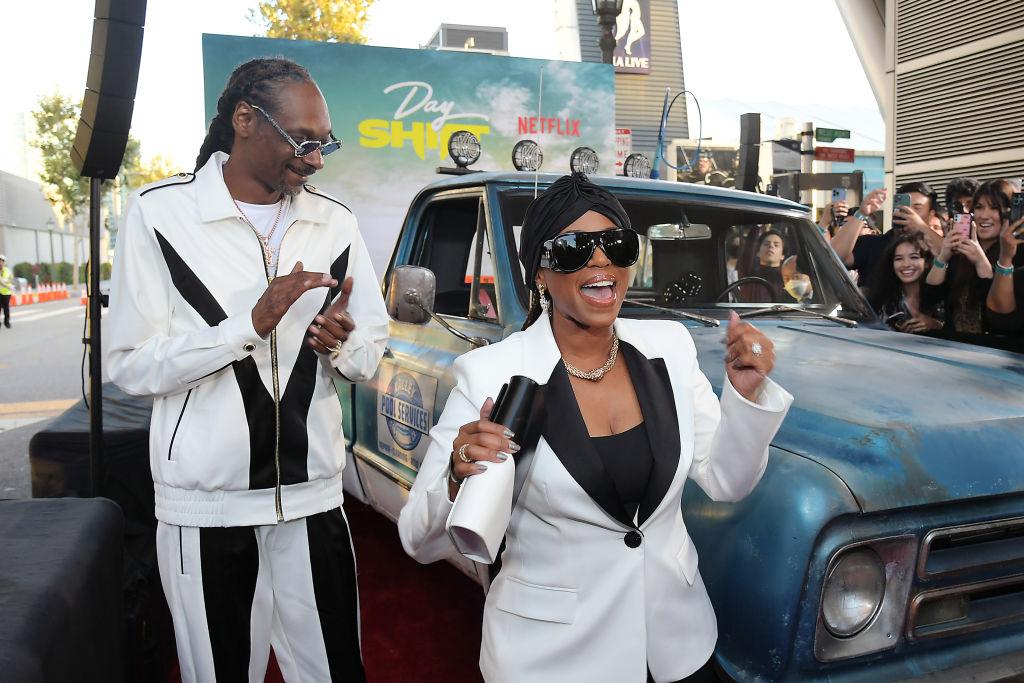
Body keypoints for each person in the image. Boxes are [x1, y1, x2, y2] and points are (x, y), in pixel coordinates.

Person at [398, 173, 793, 682]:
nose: (601, 260)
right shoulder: (491, 375)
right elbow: (418, 540)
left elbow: (728, 481)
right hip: (553, 659)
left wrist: (743, 395)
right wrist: (456, 476)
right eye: (573, 249)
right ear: (539, 273)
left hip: (677, 645)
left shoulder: (668, 348)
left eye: (617, 244)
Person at [106, 57, 389, 682]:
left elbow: (370, 347)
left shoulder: (334, 221)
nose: (316, 160)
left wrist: (337, 344)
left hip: (315, 502)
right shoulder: (160, 214)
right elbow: (128, 365)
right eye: (303, 141)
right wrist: (248, 325)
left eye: (325, 143)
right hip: (207, 512)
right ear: (244, 120)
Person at [921, 179, 1012, 338]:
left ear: (1008, 212)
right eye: (978, 207)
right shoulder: (959, 252)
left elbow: (999, 314)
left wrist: (980, 261)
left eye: (994, 208)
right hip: (952, 348)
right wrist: (943, 256)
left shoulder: (1014, 254)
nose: (984, 215)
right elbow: (930, 297)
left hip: (994, 351)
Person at [831, 182, 944, 295]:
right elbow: (834, 256)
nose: (910, 212)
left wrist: (921, 227)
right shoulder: (873, 244)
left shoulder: (934, 249)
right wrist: (862, 213)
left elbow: (950, 255)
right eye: (905, 206)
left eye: (917, 208)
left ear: (930, 215)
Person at [867, 233, 942, 333]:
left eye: (914, 257)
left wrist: (934, 324)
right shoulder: (881, 300)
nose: (906, 264)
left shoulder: (941, 297)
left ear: (927, 262)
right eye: (899, 259)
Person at [0, 255, 12, 328]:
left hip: (6, 293)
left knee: (6, 308)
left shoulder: (7, 270)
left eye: (1, 262)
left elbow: (11, 279)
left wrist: (8, 281)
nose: (0, 263)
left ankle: (6, 322)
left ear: (3, 262)